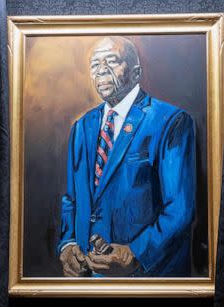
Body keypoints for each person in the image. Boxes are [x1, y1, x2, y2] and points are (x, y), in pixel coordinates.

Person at [57, 36, 197, 277]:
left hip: (149, 280)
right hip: (88, 281)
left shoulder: (171, 121)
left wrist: (136, 254)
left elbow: (180, 210)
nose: (101, 70)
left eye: (111, 61)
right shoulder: (82, 126)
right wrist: (67, 244)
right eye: (95, 64)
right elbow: (71, 198)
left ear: (136, 72)